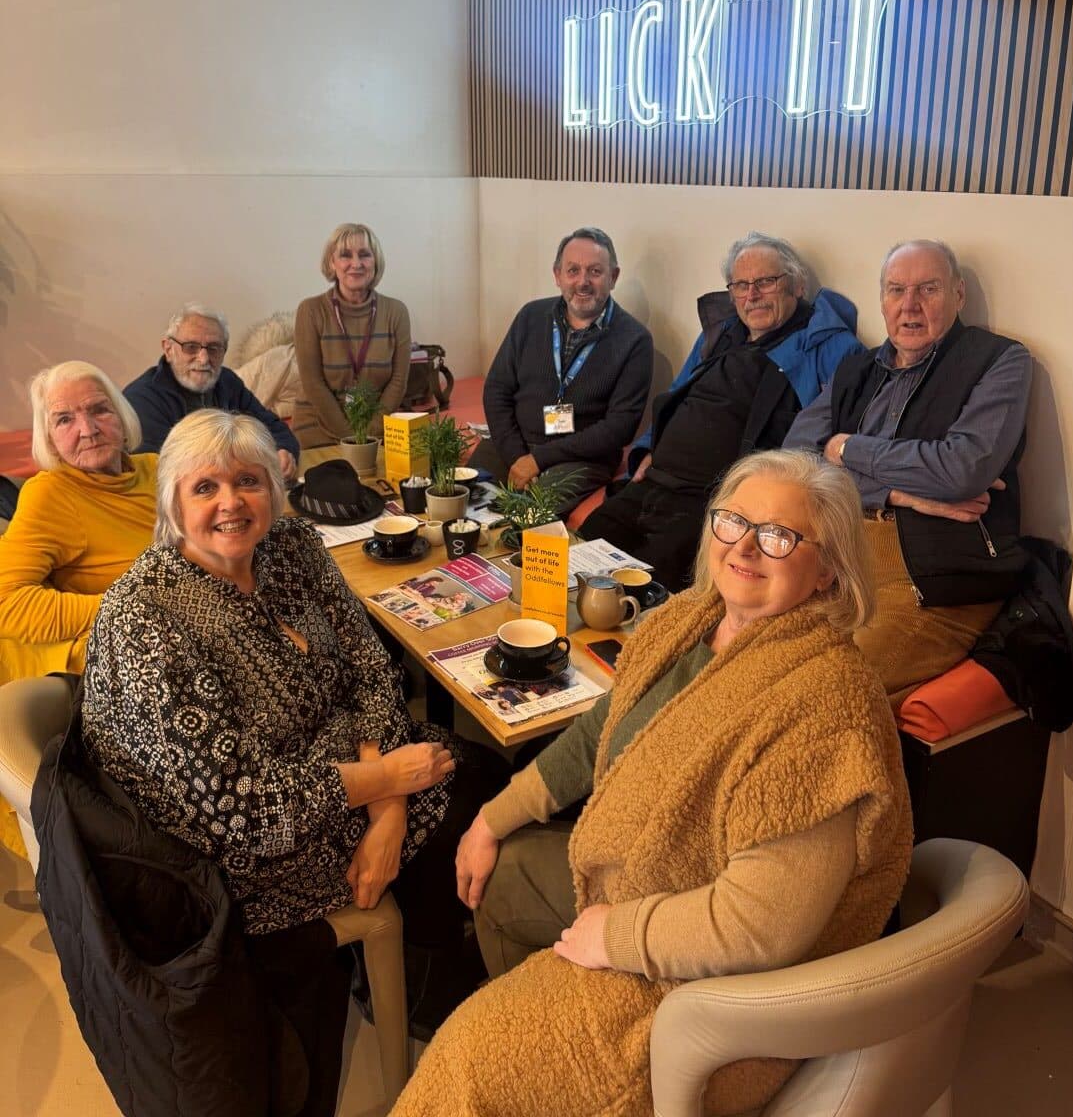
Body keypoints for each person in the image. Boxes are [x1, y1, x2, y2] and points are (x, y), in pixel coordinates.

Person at [389, 449, 912, 1117]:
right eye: (733, 522)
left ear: (829, 569)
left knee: (474, 1057)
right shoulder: (683, 623)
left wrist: (615, 936)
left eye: (779, 536)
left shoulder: (825, 706)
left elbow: (761, 930)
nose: (745, 548)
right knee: (504, 874)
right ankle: (540, 1023)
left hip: (724, 990)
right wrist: (491, 821)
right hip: (640, 883)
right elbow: (592, 739)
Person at [81, 409, 502, 1114]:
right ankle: (426, 975)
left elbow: (371, 668)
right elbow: (238, 812)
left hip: (337, 778)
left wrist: (388, 810)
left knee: (473, 771)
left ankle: (424, 963)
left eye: (247, 481)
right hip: (233, 864)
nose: (230, 503)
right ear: (171, 505)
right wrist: (389, 778)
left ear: (274, 490)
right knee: (468, 779)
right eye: (205, 487)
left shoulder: (292, 546)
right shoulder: (145, 619)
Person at [784, 239, 1033, 707]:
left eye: (928, 290)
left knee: (825, 692)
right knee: (753, 654)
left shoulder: (1000, 360)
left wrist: (848, 447)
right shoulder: (856, 368)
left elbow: (961, 470)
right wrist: (899, 493)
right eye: (896, 290)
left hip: (934, 583)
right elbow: (797, 461)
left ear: (958, 295)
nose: (910, 306)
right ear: (882, 300)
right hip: (840, 561)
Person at [580, 233, 863, 590]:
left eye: (765, 282)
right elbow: (675, 396)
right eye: (741, 285)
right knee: (585, 550)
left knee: (650, 586)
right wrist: (647, 450)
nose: (751, 295)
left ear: (797, 285)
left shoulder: (830, 345)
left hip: (713, 502)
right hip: (654, 483)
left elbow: (825, 439)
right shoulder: (720, 333)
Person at [0, 360, 156, 855]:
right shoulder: (52, 493)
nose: (87, 429)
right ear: (47, 435)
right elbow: (7, 601)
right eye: (64, 419)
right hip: (129, 661)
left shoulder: (156, 468)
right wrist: (121, 606)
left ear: (121, 413)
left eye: (98, 410)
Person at [471, 228, 653, 515]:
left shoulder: (635, 340)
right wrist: (519, 456)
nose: (583, 282)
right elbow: (497, 390)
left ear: (613, 277)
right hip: (515, 445)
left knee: (527, 515)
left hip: (581, 459)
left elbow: (620, 427)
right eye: (573, 270)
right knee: (457, 495)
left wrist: (538, 460)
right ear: (557, 275)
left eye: (595, 271)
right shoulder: (531, 316)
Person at [124, 302, 300, 480]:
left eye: (214, 348)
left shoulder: (227, 381)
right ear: (168, 349)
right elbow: (165, 473)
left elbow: (272, 427)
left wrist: (283, 451)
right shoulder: (141, 399)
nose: (203, 359)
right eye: (191, 347)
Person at [292, 222, 411, 449]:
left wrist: (369, 435)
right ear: (332, 262)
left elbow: (398, 382)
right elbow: (313, 383)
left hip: (380, 428)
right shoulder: (310, 310)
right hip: (318, 428)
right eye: (345, 255)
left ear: (375, 262)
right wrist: (350, 438)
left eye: (365, 255)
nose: (356, 264)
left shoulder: (396, 312)